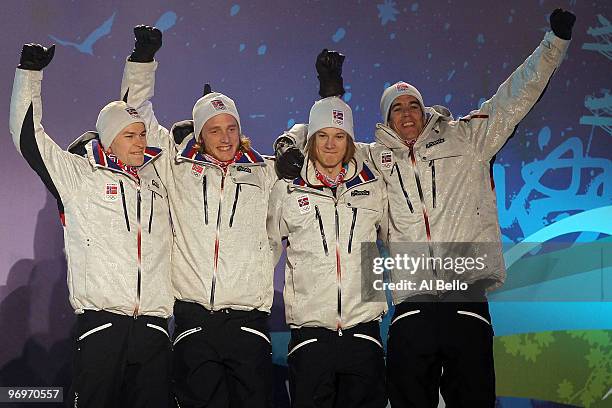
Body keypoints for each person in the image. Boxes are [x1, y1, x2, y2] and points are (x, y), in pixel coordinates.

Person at [276, 8, 575, 407]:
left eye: (412, 105)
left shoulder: (467, 139)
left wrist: (553, 43)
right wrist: (290, 140)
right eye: (396, 109)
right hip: (410, 303)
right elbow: (326, 136)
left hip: (464, 292)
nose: (406, 114)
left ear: (425, 109)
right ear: (387, 120)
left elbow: (513, 98)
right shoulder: (373, 157)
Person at [9, 39, 174, 408]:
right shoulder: (81, 176)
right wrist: (30, 74)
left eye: (142, 134)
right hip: (103, 325)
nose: (139, 141)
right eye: (129, 135)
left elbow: (138, 103)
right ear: (108, 140)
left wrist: (142, 61)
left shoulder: (159, 180)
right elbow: (27, 138)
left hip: (153, 327)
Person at [119, 26, 277, 408]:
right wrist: (143, 60)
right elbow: (135, 113)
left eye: (231, 128)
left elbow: (328, 148)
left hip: (248, 319)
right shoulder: (176, 168)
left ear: (241, 131)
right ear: (199, 136)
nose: (224, 138)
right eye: (214, 130)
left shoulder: (268, 173)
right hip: (193, 319)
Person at [268, 95, 388, 407]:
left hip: (364, 332)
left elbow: (400, 234)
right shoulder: (288, 187)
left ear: (350, 141)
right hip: (310, 335)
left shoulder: (374, 185)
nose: (331, 145)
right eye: (322, 136)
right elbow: (265, 246)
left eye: (339, 136)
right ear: (310, 140)